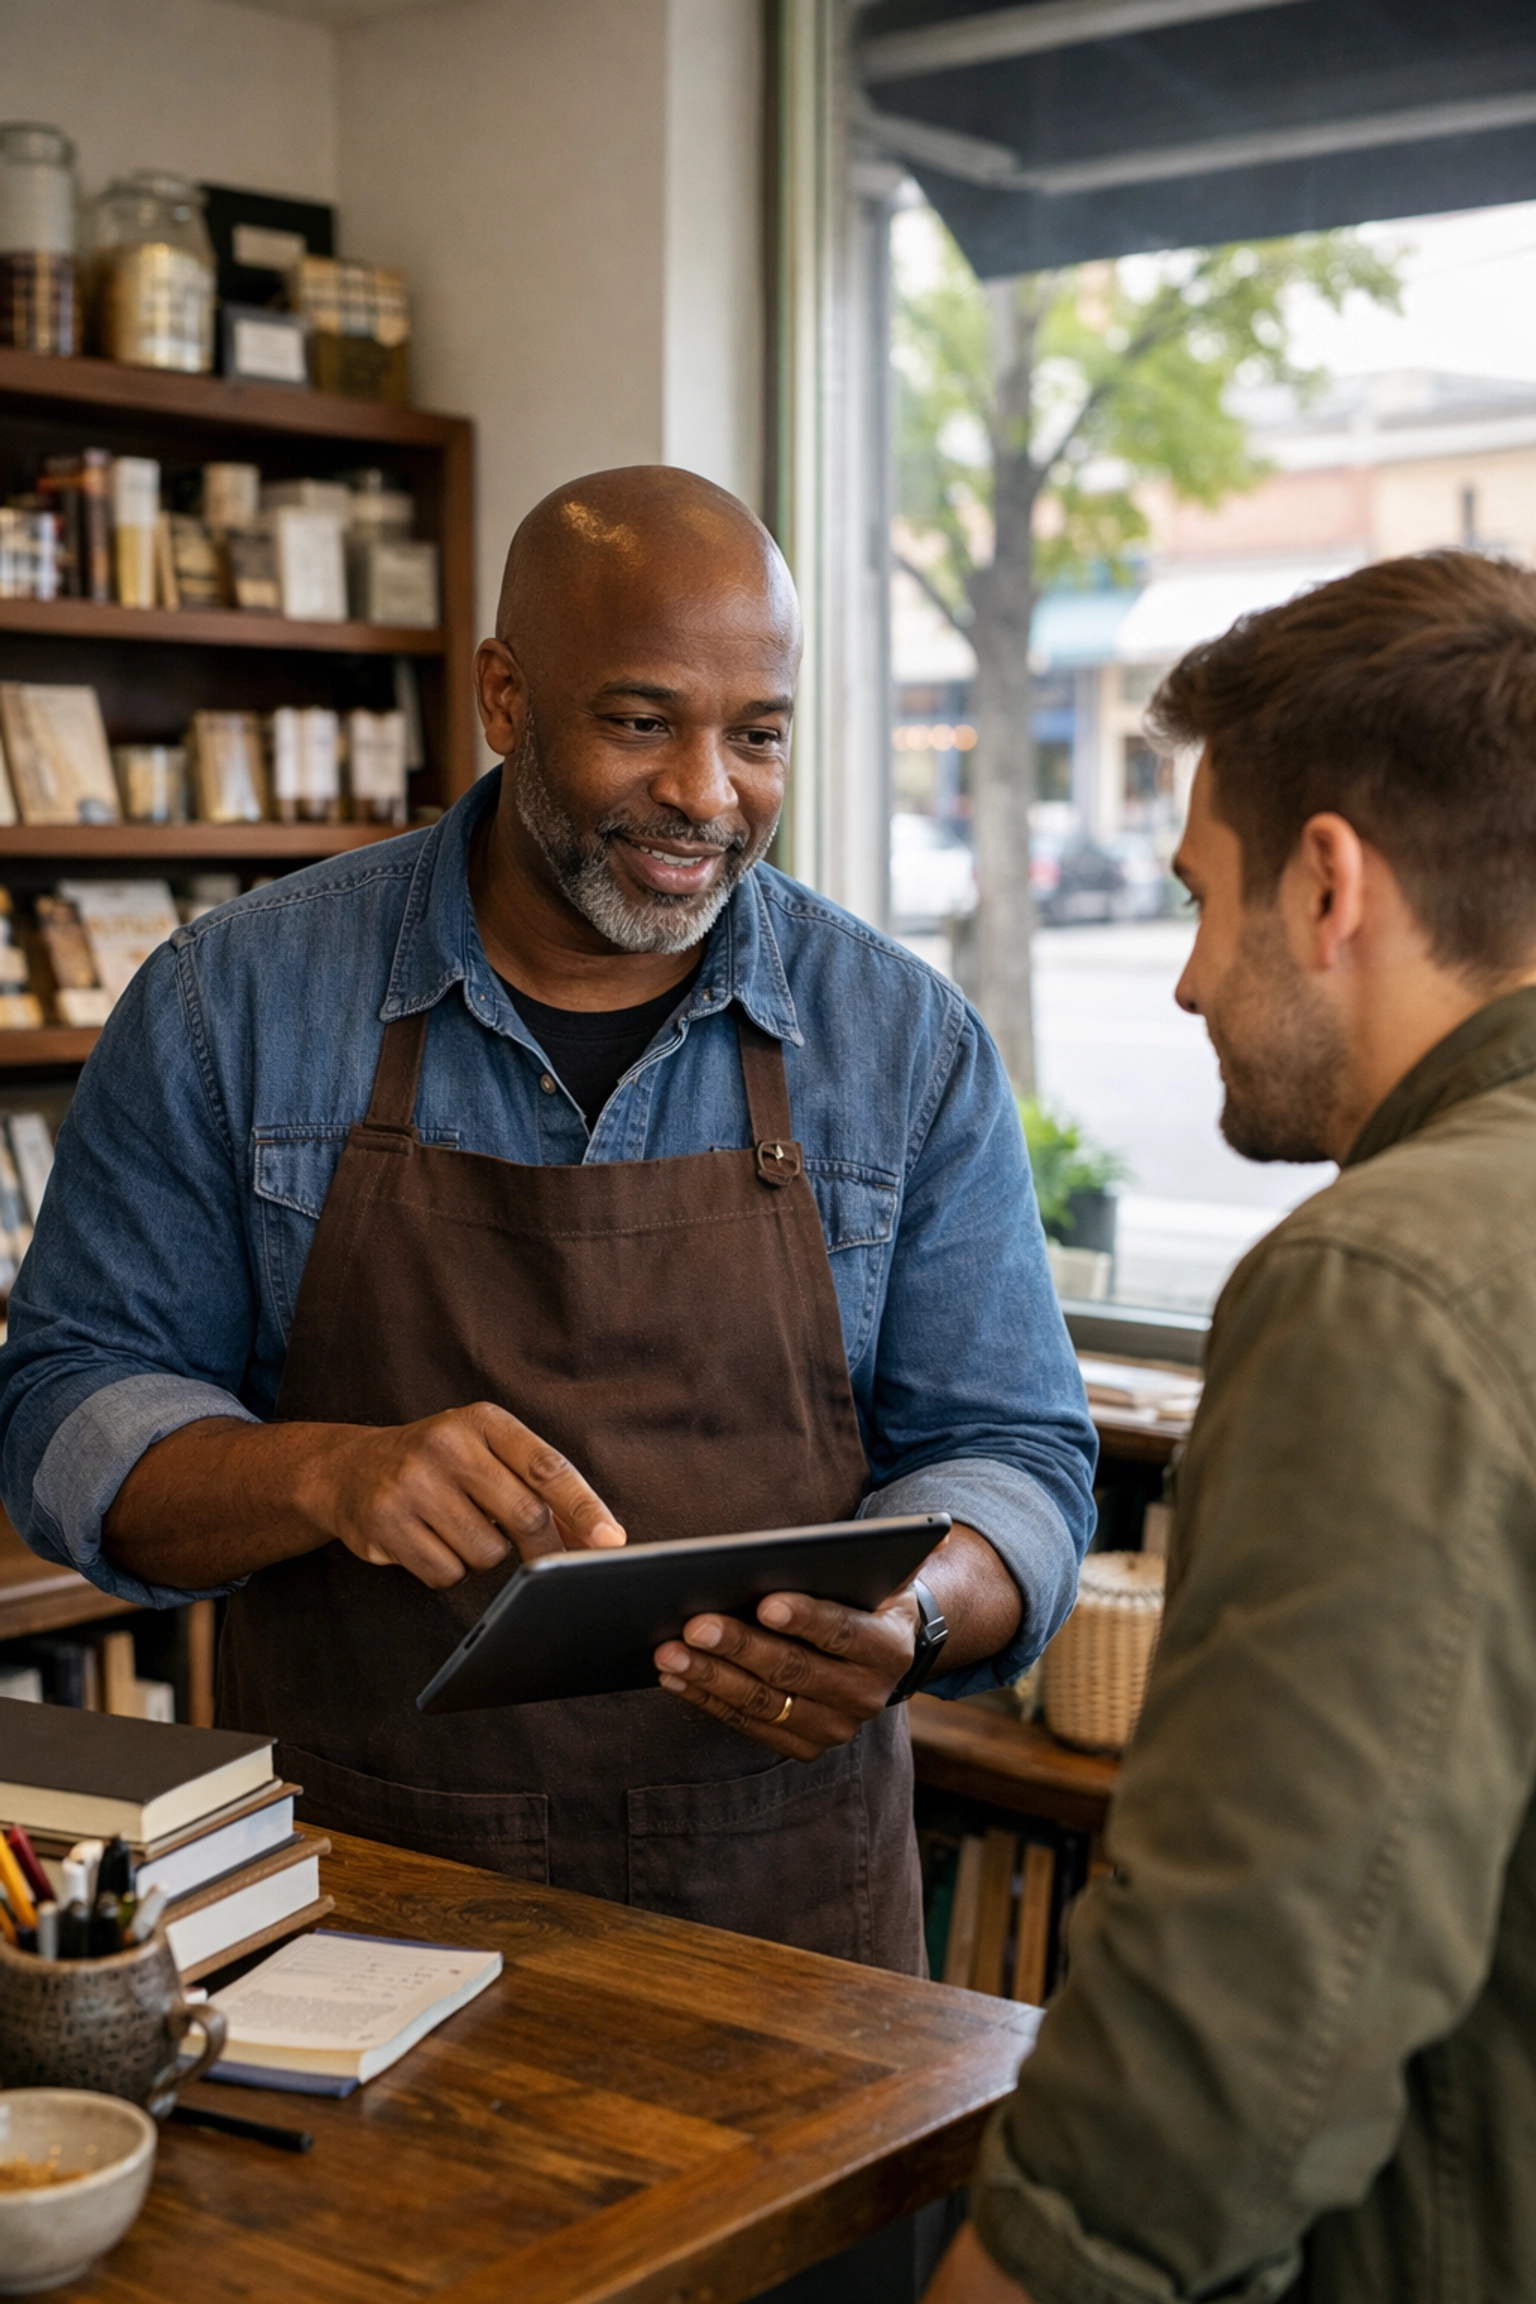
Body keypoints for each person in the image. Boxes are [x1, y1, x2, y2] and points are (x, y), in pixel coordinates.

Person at [0, 464, 1093, 1973]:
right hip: (363, 1899)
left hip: (789, 1929)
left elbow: (1019, 1450)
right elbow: (61, 1416)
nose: (708, 794)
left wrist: (919, 1615)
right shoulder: (230, 1008)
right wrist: (328, 1474)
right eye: (643, 720)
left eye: (757, 735)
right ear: (504, 696)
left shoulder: (902, 1043)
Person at [925, 550, 1536, 2304]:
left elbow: (1249, 2016)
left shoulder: (1385, 1287)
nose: (1187, 979)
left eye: (1204, 897)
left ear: (1330, 883)